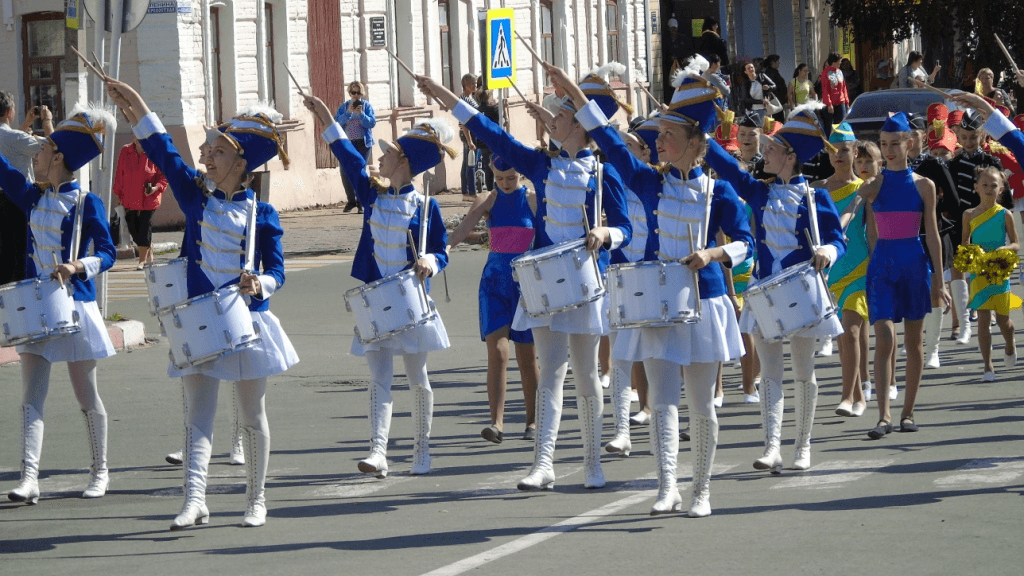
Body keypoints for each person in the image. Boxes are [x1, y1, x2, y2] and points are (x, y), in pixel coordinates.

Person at [418, 65, 632, 492]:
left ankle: (592, 463)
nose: (550, 120)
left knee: (587, 375)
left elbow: (627, 227)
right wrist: (445, 95)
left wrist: (605, 233)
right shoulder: (541, 165)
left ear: (580, 125)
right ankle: (544, 463)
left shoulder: (605, 173)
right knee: (551, 370)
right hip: (546, 280)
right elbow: (492, 134)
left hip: (586, 281)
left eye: (559, 116)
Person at [557, 59, 752, 516]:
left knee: (701, 404)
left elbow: (746, 243)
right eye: (658, 134)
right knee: (662, 401)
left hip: (705, 302)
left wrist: (714, 254)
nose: (658, 141)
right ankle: (668, 485)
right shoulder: (649, 181)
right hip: (659, 301)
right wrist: (576, 93)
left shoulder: (718, 193)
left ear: (693, 144)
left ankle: (701, 490)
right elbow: (608, 140)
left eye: (667, 135)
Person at [107, 79, 300, 529]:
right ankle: (195, 499)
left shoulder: (263, 214)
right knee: (198, 417)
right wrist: (134, 100)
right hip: (198, 323)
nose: (206, 157)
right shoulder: (195, 197)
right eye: (207, 150)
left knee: (252, 415)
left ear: (241, 161)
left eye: (215, 151)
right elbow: (162, 149)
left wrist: (262, 284)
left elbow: (278, 271)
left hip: (248, 323)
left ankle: (256, 500)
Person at [305, 95, 451, 480]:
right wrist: (323, 114)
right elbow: (346, 155)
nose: (379, 158)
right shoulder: (372, 193)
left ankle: (421, 449)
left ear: (403, 163)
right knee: (379, 378)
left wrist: (430, 261)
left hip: (411, 302)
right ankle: (378, 450)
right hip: (374, 301)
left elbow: (441, 249)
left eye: (388, 154)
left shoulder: (426, 206)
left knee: (417, 377)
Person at [705, 102, 846, 473]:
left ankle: (802, 445)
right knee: (769, 372)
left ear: (790, 156)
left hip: (801, 293)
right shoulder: (760, 192)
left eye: (771, 148)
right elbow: (728, 170)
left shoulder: (816, 198)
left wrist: (828, 252)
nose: (764, 152)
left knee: (802, 370)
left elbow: (838, 238)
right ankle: (771, 445)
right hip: (765, 289)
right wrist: (702, 135)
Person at [1, 105, 117, 504]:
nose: (36, 155)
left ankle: (100, 470)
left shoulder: (87, 203)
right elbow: (2, 168)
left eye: (44, 150)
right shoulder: (30, 195)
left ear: (60, 158)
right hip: (35, 305)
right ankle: (29, 478)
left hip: (76, 306)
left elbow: (108, 252)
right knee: (31, 394)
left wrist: (78, 265)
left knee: (86, 393)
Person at [849, 112, 948, 439]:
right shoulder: (874, 184)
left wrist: (940, 281)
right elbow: (852, 209)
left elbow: (932, 234)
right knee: (885, 338)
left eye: (894, 144)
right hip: (883, 267)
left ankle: (907, 412)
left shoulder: (924, 185)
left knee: (914, 342)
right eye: (883, 144)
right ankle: (884, 415)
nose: (888, 150)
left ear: (909, 143)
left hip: (915, 264)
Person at [447, 156, 539, 442]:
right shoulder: (488, 200)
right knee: (498, 352)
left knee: (527, 357)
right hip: (495, 282)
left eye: (511, 178)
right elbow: (462, 230)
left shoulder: (534, 200)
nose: (506, 184)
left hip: (526, 285)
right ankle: (496, 424)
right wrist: (439, 248)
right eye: (499, 178)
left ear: (520, 174)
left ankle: (533, 421)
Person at [814, 123, 867, 417]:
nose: (839, 156)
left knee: (851, 329)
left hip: (859, 265)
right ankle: (858, 396)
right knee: (844, 337)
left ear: (855, 152)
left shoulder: (865, 188)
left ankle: (846, 396)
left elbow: (853, 218)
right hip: (829, 270)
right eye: (834, 150)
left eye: (845, 150)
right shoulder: (818, 189)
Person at [908, 108, 959, 368]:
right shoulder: (895, 167)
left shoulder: (933, 164)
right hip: (904, 235)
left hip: (932, 232)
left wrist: (935, 210)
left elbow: (952, 199)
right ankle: (914, 341)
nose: (908, 140)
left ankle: (933, 350)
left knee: (935, 289)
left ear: (922, 136)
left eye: (913, 134)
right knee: (911, 291)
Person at [948, 109, 1003, 344]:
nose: (969, 142)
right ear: (958, 136)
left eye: (973, 137)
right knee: (958, 268)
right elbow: (949, 196)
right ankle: (961, 321)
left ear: (982, 136)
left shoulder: (992, 161)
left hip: (987, 220)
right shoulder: (954, 163)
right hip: (960, 220)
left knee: (984, 265)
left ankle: (985, 306)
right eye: (965, 137)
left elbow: (1002, 196)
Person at [959, 166, 1019, 381]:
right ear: (976, 187)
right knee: (983, 319)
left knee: (1004, 321)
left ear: (1001, 189)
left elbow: (1016, 244)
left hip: (1000, 272)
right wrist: (970, 256)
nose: (989, 189)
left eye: (994, 185)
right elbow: (965, 242)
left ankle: (1010, 344)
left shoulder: (1005, 214)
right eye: (984, 185)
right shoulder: (969, 214)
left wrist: (1005, 250)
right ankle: (988, 365)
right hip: (980, 273)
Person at [0, 93, 51, 285]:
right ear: (10, 112)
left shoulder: (12, 136)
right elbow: (51, 147)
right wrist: (47, 121)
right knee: (22, 252)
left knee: (4, 254)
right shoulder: (15, 137)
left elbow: (9, 144)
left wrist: (24, 126)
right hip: (17, 199)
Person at [113, 135, 168, 270]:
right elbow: (120, 173)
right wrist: (118, 195)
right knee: (133, 229)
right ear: (134, 138)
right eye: (138, 138)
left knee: (144, 227)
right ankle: (149, 247)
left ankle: (142, 261)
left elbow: (163, 177)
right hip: (129, 198)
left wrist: (155, 188)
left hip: (149, 198)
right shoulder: (125, 151)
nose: (141, 141)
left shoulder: (155, 152)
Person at [335, 81, 376, 214]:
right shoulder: (345, 107)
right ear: (349, 93)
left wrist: (362, 114)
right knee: (344, 171)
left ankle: (361, 201)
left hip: (363, 143)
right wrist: (348, 113)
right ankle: (351, 200)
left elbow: (371, 123)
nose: (356, 96)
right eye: (353, 93)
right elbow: (337, 123)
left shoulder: (366, 106)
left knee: (360, 171)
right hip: (348, 143)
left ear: (362, 94)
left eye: (358, 93)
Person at [458, 74, 480, 201]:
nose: (475, 86)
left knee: (467, 162)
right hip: (468, 133)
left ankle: (466, 191)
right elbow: (463, 122)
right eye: (473, 84)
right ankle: (471, 192)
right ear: (466, 86)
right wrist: (469, 140)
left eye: (475, 83)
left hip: (472, 132)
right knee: (471, 163)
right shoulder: (463, 100)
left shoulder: (471, 98)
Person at [820, 53, 849, 136]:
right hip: (830, 104)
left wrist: (846, 101)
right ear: (834, 62)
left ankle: (840, 143)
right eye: (839, 61)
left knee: (841, 126)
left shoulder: (840, 72)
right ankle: (829, 145)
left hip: (841, 102)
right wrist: (829, 104)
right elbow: (825, 89)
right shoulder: (826, 72)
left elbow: (844, 88)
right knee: (829, 127)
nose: (840, 63)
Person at [762, 55, 788, 122]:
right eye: (778, 61)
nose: (779, 63)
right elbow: (777, 86)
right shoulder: (771, 73)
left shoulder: (772, 72)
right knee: (778, 120)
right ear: (773, 62)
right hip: (775, 101)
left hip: (777, 100)